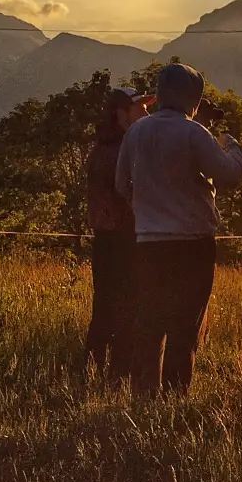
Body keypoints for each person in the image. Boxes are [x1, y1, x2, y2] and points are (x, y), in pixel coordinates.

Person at [115, 62, 242, 395]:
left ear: (159, 94)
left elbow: (121, 184)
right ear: (193, 99)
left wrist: (143, 208)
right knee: (184, 327)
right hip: (192, 245)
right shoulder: (193, 133)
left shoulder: (136, 132)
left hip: (147, 243)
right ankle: (175, 399)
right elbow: (230, 175)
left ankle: (143, 398)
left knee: (149, 325)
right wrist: (232, 146)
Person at [84, 86, 150, 376]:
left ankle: (96, 370)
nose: (146, 112)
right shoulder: (121, 150)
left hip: (109, 238)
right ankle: (117, 373)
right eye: (139, 107)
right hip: (120, 239)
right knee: (123, 307)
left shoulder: (105, 147)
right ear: (120, 114)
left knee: (106, 307)